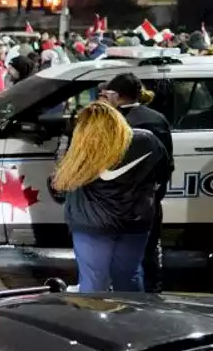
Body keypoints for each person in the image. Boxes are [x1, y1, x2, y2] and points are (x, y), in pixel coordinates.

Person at [50, 101, 168, 292]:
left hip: (92, 225)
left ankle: (95, 321)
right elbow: (163, 174)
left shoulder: (85, 149)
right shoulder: (147, 140)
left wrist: (64, 143)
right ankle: (130, 319)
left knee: (94, 282)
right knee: (129, 276)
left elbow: (59, 188)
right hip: (136, 222)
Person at [100, 73, 173, 292]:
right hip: (146, 201)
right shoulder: (157, 119)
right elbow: (166, 165)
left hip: (114, 203)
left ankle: (124, 305)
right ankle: (152, 300)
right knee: (148, 252)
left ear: (115, 95)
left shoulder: (109, 121)